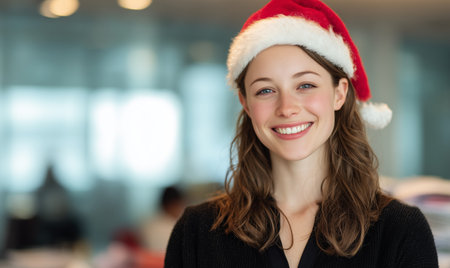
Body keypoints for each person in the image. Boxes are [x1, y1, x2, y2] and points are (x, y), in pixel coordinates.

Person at [165, 0, 439, 267]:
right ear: (246, 104)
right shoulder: (197, 231)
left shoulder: (400, 230)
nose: (286, 108)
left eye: (305, 85)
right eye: (266, 90)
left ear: (339, 93)